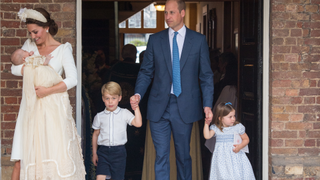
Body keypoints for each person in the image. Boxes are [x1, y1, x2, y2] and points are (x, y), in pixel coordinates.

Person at [130, 0, 214, 179]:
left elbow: (206, 76)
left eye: (172, 13)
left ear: (182, 13)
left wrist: (207, 105)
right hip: (159, 105)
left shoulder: (198, 40)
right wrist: (138, 94)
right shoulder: (155, 39)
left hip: (185, 106)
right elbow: (146, 72)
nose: (167, 17)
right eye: (166, 13)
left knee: (183, 157)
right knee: (161, 156)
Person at [10, 7, 85, 180]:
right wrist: (35, 69)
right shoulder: (29, 47)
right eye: (30, 33)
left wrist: (48, 90)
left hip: (50, 111)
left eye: (35, 32)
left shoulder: (62, 49)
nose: (32, 37)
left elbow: (73, 79)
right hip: (29, 109)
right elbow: (14, 68)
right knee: (21, 159)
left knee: (49, 157)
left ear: (46, 28)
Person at [92, 81, 142, 180]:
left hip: (119, 153)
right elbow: (95, 134)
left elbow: (138, 123)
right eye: (107, 98)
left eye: (113, 98)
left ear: (120, 98)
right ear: (103, 99)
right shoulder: (99, 116)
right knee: (100, 178)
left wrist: (136, 107)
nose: (110, 102)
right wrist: (94, 153)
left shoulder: (124, 113)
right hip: (103, 152)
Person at [203, 102, 255, 180]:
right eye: (230, 117)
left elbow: (246, 139)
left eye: (234, 116)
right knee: (223, 176)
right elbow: (207, 136)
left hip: (235, 157)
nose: (233, 119)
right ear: (220, 118)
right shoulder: (216, 128)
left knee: (236, 175)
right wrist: (206, 124)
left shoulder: (237, 127)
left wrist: (239, 147)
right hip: (221, 159)